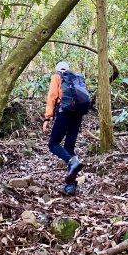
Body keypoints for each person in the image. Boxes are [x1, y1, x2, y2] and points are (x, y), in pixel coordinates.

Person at [43, 61, 84, 196]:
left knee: (53, 144)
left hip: (65, 113)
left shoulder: (56, 77)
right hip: (78, 114)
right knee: (68, 149)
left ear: (56, 70)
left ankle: (72, 161)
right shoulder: (75, 78)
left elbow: (52, 96)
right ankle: (71, 185)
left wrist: (47, 118)